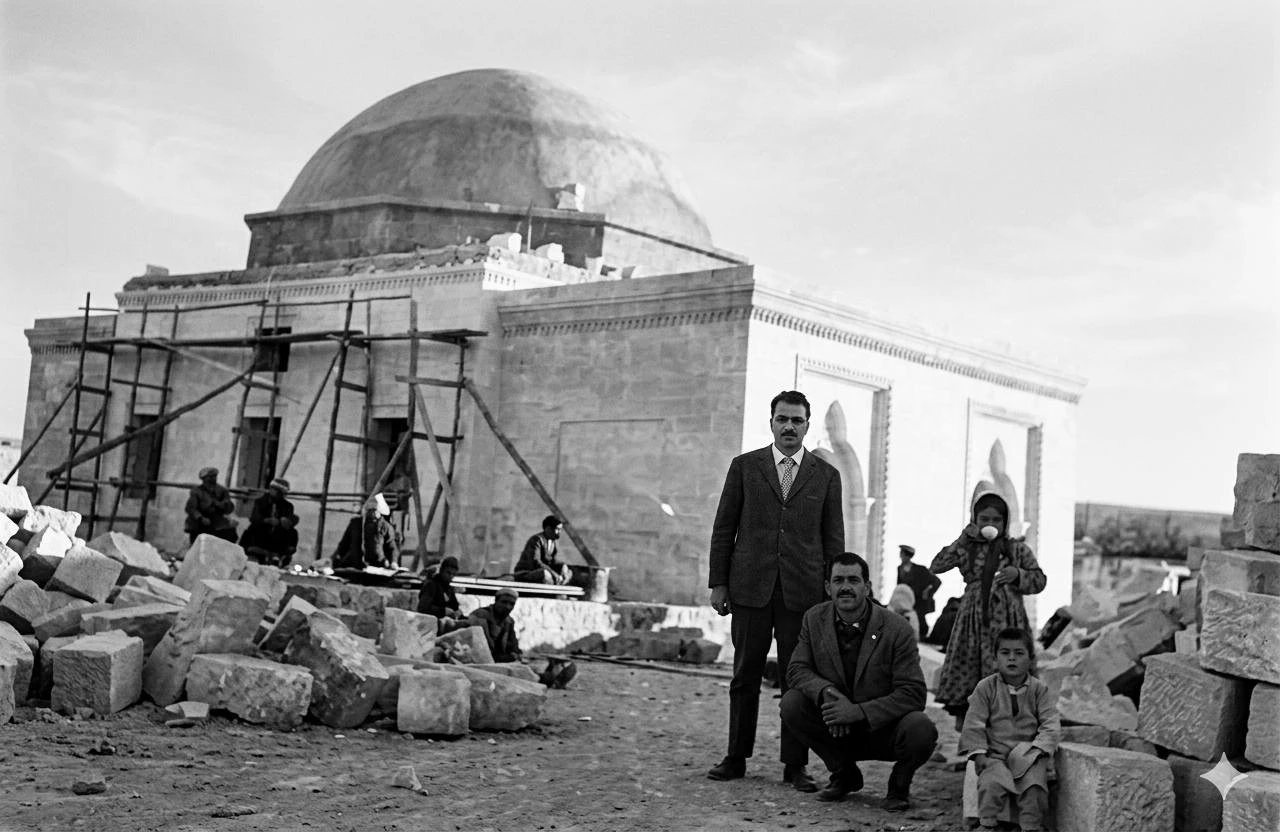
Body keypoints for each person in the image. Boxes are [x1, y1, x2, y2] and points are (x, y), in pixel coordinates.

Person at [706, 390, 844, 793]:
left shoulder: (826, 476)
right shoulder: (745, 467)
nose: (789, 427)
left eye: (797, 420)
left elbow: (833, 541)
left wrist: (831, 595)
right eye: (782, 419)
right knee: (744, 676)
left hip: (802, 595)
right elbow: (724, 528)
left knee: (797, 681)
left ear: (807, 425)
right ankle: (735, 757)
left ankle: (794, 765)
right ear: (771, 422)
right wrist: (719, 583)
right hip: (750, 589)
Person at [781, 552, 938, 812]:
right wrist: (828, 693)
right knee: (791, 703)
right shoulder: (814, 619)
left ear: (867, 587)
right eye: (838, 580)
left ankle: (899, 785)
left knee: (921, 729)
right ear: (827, 587)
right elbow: (797, 669)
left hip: (882, 729)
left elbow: (914, 693)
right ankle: (844, 773)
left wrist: (858, 712)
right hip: (835, 726)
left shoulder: (897, 628)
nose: (845, 587)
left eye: (853, 580)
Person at [931, 490, 1047, 729]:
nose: (990, 524)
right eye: (984, 519)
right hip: (973, 622)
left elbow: (1039, 580)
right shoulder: (967, 548)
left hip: (1008, 622)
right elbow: (937, 565)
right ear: (975, 520)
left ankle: (1008, 729)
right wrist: (963, 540)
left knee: (1008, 667)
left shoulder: (1017, 550)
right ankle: (970, 733)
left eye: (996, 520)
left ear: (1005, 522)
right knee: (969, 669)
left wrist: (1018, 575)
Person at [958, 627, 1061, 831]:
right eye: (1005, 653)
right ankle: (987, 824)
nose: (1011, 658)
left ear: (1030, 660)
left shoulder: (1039, 690)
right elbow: (973, 722)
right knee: (990, 784)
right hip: (995, 754)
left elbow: (1050, 722)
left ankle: (1031, 826)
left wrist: (1040, 749)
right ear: (995, 659)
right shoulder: (985, 688)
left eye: (1019, 653)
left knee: (1034, 787)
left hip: (1027, 754)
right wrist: (979, 753)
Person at [332, 493, 399, 569]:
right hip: (356, 566)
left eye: (374, 510)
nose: (372, 513)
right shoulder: (355, 524)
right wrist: (335, 558)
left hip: (378, 566)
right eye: (370, 510)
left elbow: (391, 547)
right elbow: (344, 545)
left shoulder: (385, 526)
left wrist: (393, 562)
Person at [239, 478, 296, 564]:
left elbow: (289, 520)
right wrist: (266, 520)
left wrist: (283, 522)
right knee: (253, 531)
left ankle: (279, 556)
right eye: (277, 491)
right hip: (261, 531)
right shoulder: (260, 502)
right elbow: (254, 518)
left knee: (292, 533)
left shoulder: (288, 506)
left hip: (278, 534)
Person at [896, 544, 941, 639]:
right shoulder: (899, 569)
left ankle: (923, 636)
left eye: (902, 554)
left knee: (920, 621)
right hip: (907, 601)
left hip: (919, 601)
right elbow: (899, 586)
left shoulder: (920, 569)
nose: (900, 556)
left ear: (908, 556)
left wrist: (928, 592)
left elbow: (936, 581)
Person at [184, 467, 238, 544]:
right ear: (204, 479)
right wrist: (201, 518)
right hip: (200, 521)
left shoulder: (222, 490)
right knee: (198, 538)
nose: (214, 479)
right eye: (210, 477)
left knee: (229, 533)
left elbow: (228, 509)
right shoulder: (197, 491)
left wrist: (224, 505)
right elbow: (191, 508)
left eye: (215, 476)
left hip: (216, 519)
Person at [468, 587, 522, 662]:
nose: (507, 607)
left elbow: (513, 645)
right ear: (496, 601)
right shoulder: (480, 615)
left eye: (512, 604)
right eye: (504, 602)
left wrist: (514, 653)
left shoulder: (509, 621)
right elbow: (475, 644)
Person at [417, 555, 469, 634]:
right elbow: (423, 608)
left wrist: (458, 612)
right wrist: (442, 611)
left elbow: (454, 607)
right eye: (448, 573)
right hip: (431, 627)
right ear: (441, 570)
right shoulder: (431, 585)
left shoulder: (449, 588)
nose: (450, 576)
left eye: (453, 574)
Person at [514, 515, 572, 585]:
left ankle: (559, 583)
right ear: (548, 529)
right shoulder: (536, 540)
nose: (559, 532)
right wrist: (553, 573)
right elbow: (536, 562)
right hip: (526, 572)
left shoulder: (553, 542)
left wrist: (563, 566)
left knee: (569, 572)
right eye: (557, 529)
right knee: (545, 574)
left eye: (560, 529)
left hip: (545, 571)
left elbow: (553, 561)